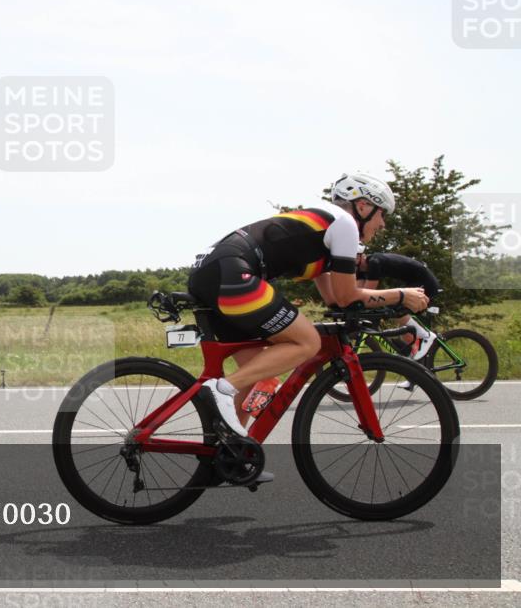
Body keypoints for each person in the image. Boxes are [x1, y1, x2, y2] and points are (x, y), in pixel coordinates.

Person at [187, 173, 429, 481]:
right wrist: (401, 295)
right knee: (308, 342)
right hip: (233, 273)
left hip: (215, 271)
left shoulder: (325, 230)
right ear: (364, 206)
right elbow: (346, 295)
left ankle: (226, 458)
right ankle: (220, 389)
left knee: (260, 378)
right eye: (382, 215)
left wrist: (381, 305)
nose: (383, 224)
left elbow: (337, 299)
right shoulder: (344, 224)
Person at [356, 247, 440, 360]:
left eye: (353, 258)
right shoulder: (360, 270)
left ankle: (426, 336)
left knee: (393, 305)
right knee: (403, 326)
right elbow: (357, 294)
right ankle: (415, 363)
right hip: (414, 282)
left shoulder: (373, 263)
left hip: (425, 281)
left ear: (361, 256)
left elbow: (368, 295)